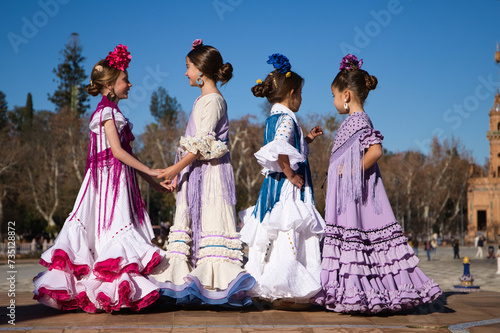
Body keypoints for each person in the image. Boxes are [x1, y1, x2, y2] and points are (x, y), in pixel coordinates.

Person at [33, 45, 166, 313]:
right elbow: (117, 152)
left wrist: (152, 181)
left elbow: (126, 154)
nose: (130, 84)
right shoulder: (106, 112)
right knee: (111, 231)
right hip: (107, 186)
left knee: (109, 235)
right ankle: (107, 292)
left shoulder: (114, 113)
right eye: (125, 80)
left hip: (116, 182)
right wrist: (151, 172)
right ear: (109, 85)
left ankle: (113, 292)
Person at [313, 54, 442, 314]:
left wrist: (351, 170)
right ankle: (356, 293)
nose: (334, 100)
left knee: (362, 241)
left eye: (334, 95)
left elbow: (376, 151)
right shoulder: (352, 122)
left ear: (346, 95)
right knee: (358, 245)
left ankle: (367, 293)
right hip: (348, 199)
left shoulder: (360, 121)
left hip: (358, 199)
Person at [151, 39, 255, 307]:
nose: (185, 73)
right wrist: (178, 172)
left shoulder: (213, 101)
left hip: (209, 175)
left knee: (211, 221)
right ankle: (189, 281)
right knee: (188, 221)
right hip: (196, 172)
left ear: (200, 70)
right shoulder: (203, 100)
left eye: (188, 67)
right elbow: (194, 143)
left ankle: (214, 284)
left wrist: (175, 168)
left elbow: (203, 144)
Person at [238, 54, 326, 308]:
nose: (301, 98)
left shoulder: (273, 118)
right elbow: (280, 148)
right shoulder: (287, 119)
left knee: (275, 232)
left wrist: (306, 139)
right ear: (291, 94)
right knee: (290, 229)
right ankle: (289, 290)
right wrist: (291, 175)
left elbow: (287, 146)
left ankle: (275, 286)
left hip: (273, 186)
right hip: (286, 187)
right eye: (300, 93)